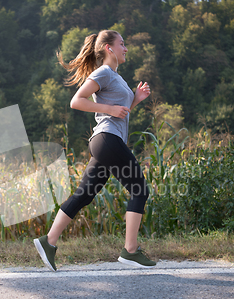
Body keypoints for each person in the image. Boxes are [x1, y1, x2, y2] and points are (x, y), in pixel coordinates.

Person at [34, 29, 155, 271]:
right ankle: (130, 251)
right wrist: (109, 109)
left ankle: (48, 241)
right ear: (109, 48)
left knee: (84, 195)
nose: (126, 48)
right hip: (107, 139)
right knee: (139, 189)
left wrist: (135, 100)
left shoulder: (117, 77)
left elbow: (121, 111)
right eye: (122, 44)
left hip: (106, 142)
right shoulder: (104, 73)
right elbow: (76, 100)